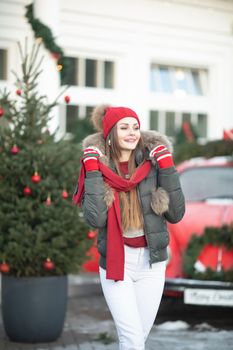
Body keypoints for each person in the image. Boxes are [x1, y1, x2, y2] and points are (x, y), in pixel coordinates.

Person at [73, 105, 185, 350]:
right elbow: (95, 219)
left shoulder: (153, 165)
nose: (132, 132)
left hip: (151, 264)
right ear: (111, 134)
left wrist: (167, 167)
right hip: (117, 262)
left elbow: (176, 214)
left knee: (137, 339)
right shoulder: (98, 167)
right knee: (133, 340)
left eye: (135, 127)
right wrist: (92, 173)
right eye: (124, 127)